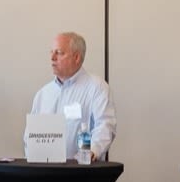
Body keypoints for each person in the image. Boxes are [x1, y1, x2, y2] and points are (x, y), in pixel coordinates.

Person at [28, 32, 116, 160]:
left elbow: (105, 125)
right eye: (51, 52)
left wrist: (93, 151)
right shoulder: (43, 94)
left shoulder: (97, 88)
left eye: (59, 52)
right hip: (43, 173)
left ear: (76, 57)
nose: (52, 57)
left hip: (82, 173)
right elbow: (29, 136)